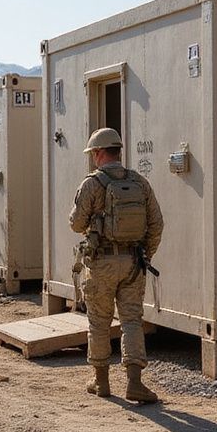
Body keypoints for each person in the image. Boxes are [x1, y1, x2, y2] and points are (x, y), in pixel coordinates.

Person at [69, 127, 163, 403]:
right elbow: (157, 224)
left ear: (98, 153)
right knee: (131, 320)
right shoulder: (140, 182)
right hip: (134, 263)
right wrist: (145, 254)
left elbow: (76, 224)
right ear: (118, 152)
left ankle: (101, 382)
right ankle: (135, 383)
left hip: (101, 264)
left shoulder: (91, 184)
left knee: (98, 322)